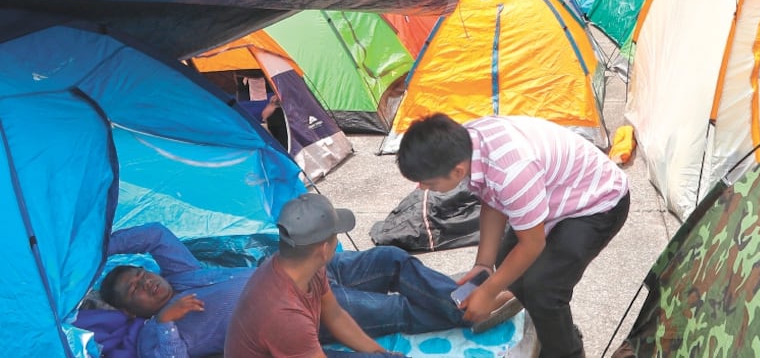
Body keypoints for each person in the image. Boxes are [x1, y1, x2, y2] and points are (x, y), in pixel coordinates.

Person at [397, 114, 631, 358]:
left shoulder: (511, 171)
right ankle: (553, 328)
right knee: (506, 257)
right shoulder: (467, 142)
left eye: (429, 183)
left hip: (599, 202)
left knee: (544, 289)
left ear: (457, 172)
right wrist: (484, 265)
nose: (422, 188)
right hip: (558, 193)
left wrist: (488, 293)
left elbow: (532, 243)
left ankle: (568, 351)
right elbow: (492, 200)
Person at [100, 214, 491, 357]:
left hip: (307, 272)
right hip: (299, 314)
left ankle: (467, 299)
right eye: (135, 290)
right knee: (395, 311)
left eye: (140, 274)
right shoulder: (151, 336)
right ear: (130, 312)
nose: (146, 282)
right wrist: (167, 319)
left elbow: (154, 233)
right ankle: (471, 312)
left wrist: (93, 249)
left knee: (390, 258)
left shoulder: (181, 275)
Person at [225, 194, 396, 357]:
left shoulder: (302, 266)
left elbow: (335, 316)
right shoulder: (285, 314)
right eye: (335, 236)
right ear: (324, 249)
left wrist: (382, 353)